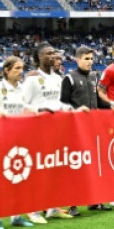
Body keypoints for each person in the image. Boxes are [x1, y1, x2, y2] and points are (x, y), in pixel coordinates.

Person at [22, 43, 87, 218]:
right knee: (36, 170)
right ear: (38, 58)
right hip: (36, 130)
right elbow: (22, 104)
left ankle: (52, 207)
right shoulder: (32, 80)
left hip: (55, 130)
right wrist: (38, 110)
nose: (52, 56)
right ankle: (33, 209)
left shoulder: (58, 79)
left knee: (53, 170)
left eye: (54, 53)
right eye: (48, 54)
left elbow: (60, 104)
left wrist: (75, 110)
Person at [0, 56, 39, 225]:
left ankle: (16, 217)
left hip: (19, 140)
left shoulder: (23, 89)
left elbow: (26, 108)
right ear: (6, 70)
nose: (21, 72)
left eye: (22, 68)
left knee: (18, 179)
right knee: (0, 181)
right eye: (17, 69)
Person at [60, 47, 114, 211]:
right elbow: (63, 103)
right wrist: (76, 110)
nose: (90, 62)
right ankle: (72, 205)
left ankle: (96, 201)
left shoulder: (94, 77)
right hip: (75, 130)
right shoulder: (69, 78)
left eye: (91, 59)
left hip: (93, 129)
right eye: (86, 58)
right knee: (76, 168)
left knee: (95, 166)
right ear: (77, 60)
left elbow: (99, 102)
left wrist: (112, 105)